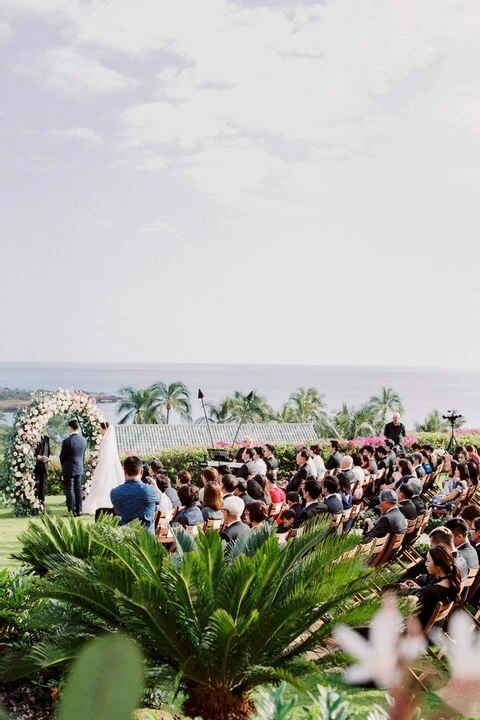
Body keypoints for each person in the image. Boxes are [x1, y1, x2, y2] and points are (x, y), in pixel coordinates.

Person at [399, 546, 461, 630]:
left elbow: (419, 618)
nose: (425, 564)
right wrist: (417, 589)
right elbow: (426, 594)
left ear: (439, 566)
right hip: (432, 629)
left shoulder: (434, 592)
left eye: (428, 561)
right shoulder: (448, 581)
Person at [110, 455, 161, 533]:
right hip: (146, 541)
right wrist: (155, 485)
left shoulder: (114, 493)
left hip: (124, 540)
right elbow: (159, 499)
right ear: (141, 471)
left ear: (124, 472)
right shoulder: (151, 490)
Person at [83, 422, 124, 515]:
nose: (100, 430)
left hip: (104, 465)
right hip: (105, 465)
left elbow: (104, 455)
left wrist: (97, 461)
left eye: (101, 429)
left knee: (102, 483)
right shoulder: (109, 440)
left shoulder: (107, 440)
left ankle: (100, 504)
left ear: (104, 429)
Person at [60, 419, 87, 516]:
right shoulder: (84, 440)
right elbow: (83, 455)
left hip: (68, 468)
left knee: (69, 490)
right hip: (79, 467)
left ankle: (71, 511)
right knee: (78, 489)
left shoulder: (67, 441)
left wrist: (64, 465)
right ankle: (79, 510)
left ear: (70, 428)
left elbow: (62, 456)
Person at [33, 433, 50, 505]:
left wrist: (48, 458)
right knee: (35, 484)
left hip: (44, 465)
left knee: (43, 485)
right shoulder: (33, 436)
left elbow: (48, 451)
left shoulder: (46, 438)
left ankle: (42, 502)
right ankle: (34, 501)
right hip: (35, 465)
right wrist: (36, 456)